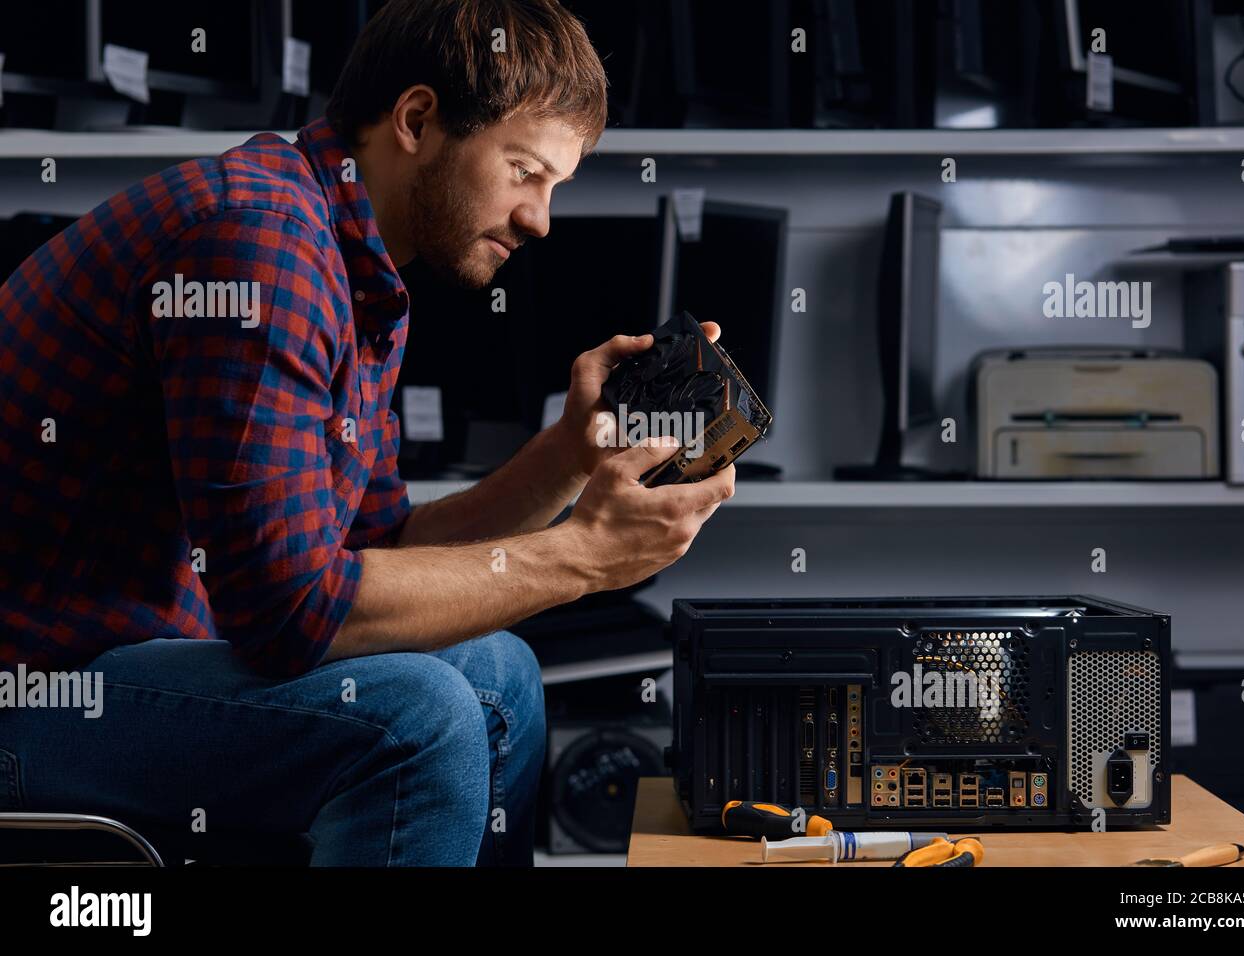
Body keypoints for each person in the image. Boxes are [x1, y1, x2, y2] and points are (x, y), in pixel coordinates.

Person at [0, 0, 734, 866]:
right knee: (420, 718)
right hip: (36, 691)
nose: (541, 218)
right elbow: (294, 614)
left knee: (499, 672)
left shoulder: (351, 261)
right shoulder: (259, 245)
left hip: (126, 659)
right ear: (418, 119)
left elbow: (382, 547)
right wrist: (581, 558)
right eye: (525, 171)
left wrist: (570, 454)